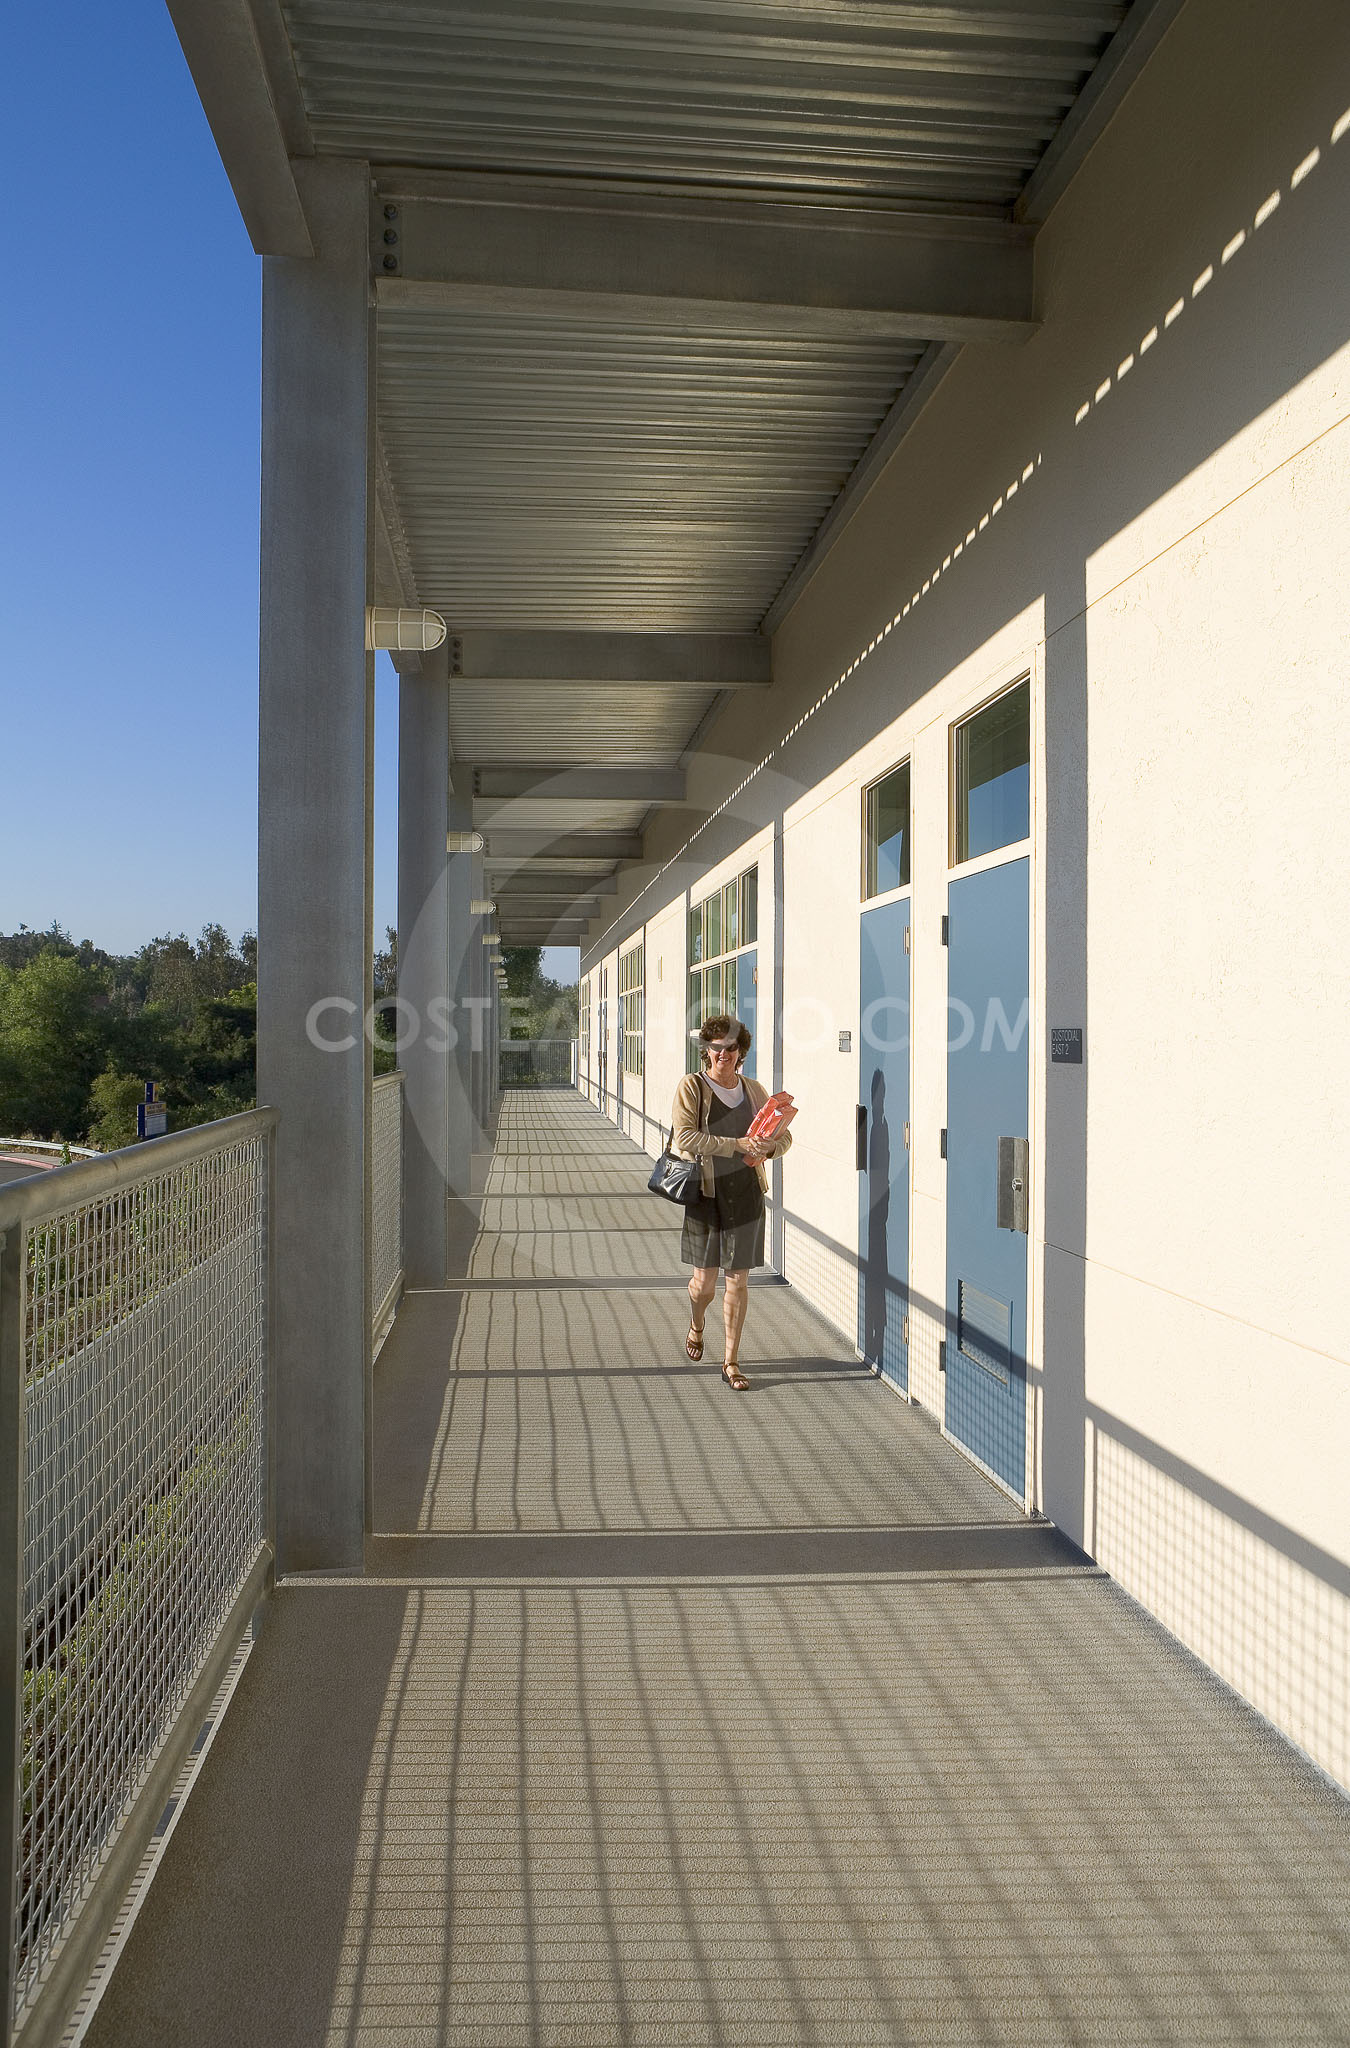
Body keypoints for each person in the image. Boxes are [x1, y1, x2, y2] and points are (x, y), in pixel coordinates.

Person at [671, 1015, 792, 1391]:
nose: (724, 1053)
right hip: (707, 1193)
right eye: (717, 1046)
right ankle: (697, 1323)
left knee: (738, 1281)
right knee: (704, 1284)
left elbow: (784, 1138)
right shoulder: (693, 1086)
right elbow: (686, 1138)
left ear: (742, 1052)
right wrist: (736, 1145)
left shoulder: (754, 1090)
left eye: (732, 1047)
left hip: (746, 1192)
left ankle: (731, 1361)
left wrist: (770, 1146)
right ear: (706, 1049)